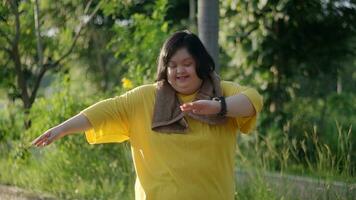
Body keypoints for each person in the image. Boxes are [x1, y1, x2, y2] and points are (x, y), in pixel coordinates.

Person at [32, 30, 263, 200]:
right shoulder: (145, 98)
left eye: (187, 64)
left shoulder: (223, 91)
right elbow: (105, 110)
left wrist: (217, 107)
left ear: (201, 64)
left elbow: (253, 100)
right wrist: (62, 128)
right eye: (172, 65)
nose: (179, 71)